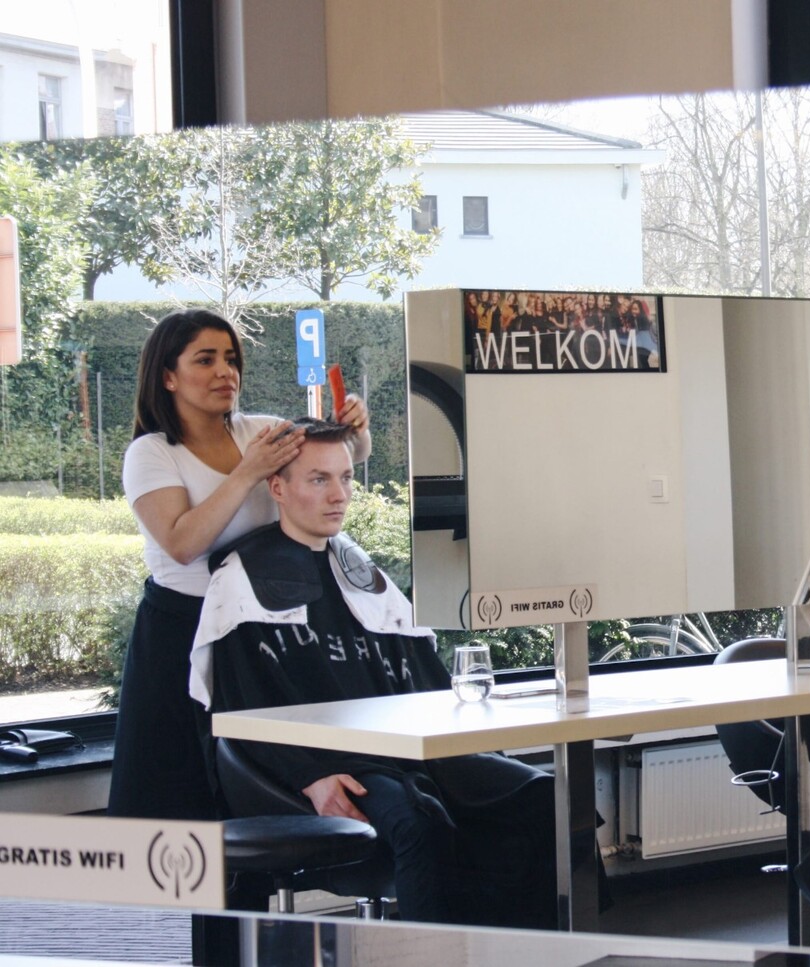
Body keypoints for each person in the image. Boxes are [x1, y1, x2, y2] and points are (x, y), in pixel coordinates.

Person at [189, 419, 557, 928]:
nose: (338, 495)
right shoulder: (243, 579)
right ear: (277, 487)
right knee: (416, 824)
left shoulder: (357, 569)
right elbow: (239, 707)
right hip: (332, 762)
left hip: (410, 750)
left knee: (543, 798)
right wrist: (310, 777)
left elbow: (420, 674)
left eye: (345, 478)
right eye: (319, 479)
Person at [108, 309, 370, 821]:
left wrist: (354, 429)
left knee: (253, 792)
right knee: (177, 796)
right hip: (179, 634)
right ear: (167, 375)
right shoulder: (151, 453)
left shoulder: (264, 430)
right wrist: (248, 472)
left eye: (231, 359)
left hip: (258, 634)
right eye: (205, 360)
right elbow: (183, 543)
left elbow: (338, 458)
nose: (225, 372)